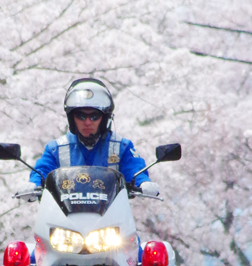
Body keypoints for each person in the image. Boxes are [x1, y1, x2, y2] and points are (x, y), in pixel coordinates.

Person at [28, 77, 160, 197]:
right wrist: (33, 184)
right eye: (81, 116)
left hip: (111, 216)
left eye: (94, 116)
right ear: (71, 118)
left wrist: (143, 182)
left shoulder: (121, 146)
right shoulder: (56, 149)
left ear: (104, 119)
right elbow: (42, 170)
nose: (87, 122)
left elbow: (134, 168)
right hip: (65, 218)